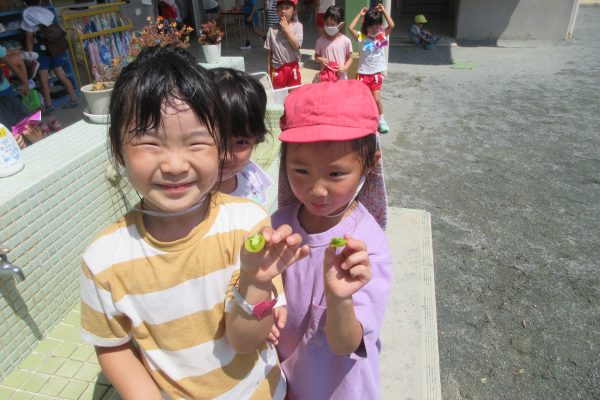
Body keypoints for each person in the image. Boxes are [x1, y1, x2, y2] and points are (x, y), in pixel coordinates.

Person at [79, 45, 309, 399]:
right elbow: (113, 347)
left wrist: (255, 281)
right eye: (149, 142)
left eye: (196, 142)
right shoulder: (104, 260)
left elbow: (245, 342)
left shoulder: (247, 223)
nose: (174, 164)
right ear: (118, 149)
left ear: (219, 147)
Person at [272, 80, 392, 399]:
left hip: (339, 389)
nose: (317, 190)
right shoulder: (278, 227)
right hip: (284, 384)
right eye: (300, 170)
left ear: (369, 164)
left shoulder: (365, 248)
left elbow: (344, 344)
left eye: (335, 174)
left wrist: (339, 298)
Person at [212, 67, 273, 205]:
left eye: (241, 142)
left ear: (257, 139)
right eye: (213, 140)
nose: (225, 156)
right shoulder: (188, 200)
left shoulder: (250, 175)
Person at [21, 0, 79, 113]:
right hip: (54, 47)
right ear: (40, 2)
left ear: (25, 4)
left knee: (43, 79)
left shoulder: (28, 16)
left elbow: (29, 39)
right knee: (61, 74)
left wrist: (29, 55)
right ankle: (74, 98)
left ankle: (49, 106)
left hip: (41, 51)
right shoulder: (46, 12)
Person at [348, 4, 395, 134]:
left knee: (377, 99)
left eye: (377, 26)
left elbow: (391, 25)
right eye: (371, 26)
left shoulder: (382, 36)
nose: (374, 29)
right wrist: (360, 14)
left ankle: (382, 120)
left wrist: (384, 11)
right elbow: (350, 27)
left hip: (375, 74)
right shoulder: (362, 37)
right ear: (366, 26)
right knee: (361, 100)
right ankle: (362, 119)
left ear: (380, 25)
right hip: (362, 74)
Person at [264, 0, 303, 90]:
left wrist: (286, 30)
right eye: (281, 8)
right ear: (277, 11)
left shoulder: (298, 26)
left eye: (287, 8)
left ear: (294, 11)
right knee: (278, 94)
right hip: (277, 68)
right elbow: (269, 52)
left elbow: (296, 46)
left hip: (292, 66)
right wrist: (268, 70)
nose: (283, 11)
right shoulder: (272, 29)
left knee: (294, 92)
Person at [314, 6, 352, 82]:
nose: (329, 26)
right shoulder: (320, 41)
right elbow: (316, 56)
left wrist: (344, 68)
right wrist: (320, 59)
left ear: (341, 25)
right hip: (325, 78)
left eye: (332, 24)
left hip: (341, 79)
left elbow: (350, 58)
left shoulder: (346, 41)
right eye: (327, 24)